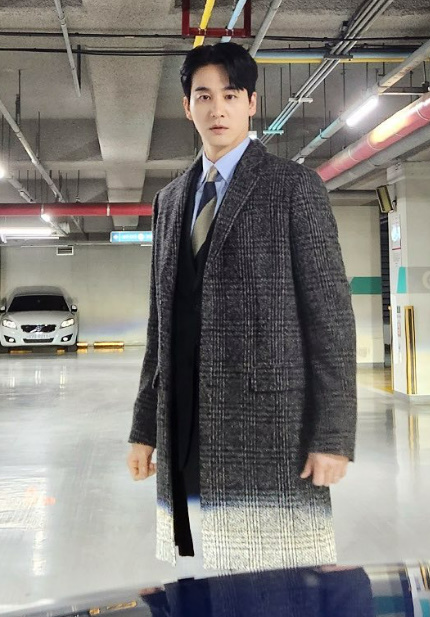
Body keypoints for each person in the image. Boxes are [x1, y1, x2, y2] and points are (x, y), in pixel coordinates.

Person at [127, 42, 357, 572]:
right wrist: (144, 428)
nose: (217, 109)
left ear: (251, 103)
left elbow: (331, 318)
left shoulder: (293, 187)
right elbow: (161, 327)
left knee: (278, 581)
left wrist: (332, 435)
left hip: (270, 427)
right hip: (184, 422)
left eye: (230, 95)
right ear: (187, 107)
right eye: (204, 96)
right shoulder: (170, 201)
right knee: (197, 572)